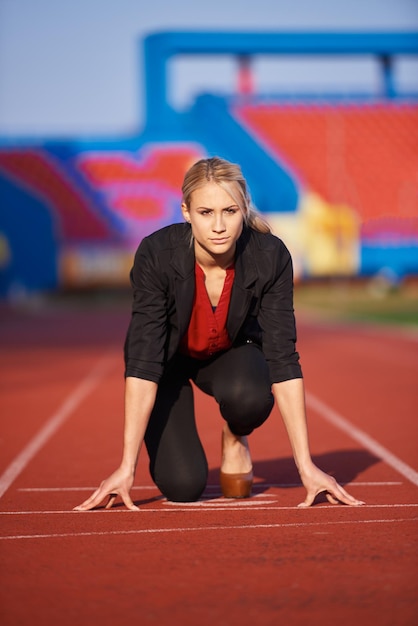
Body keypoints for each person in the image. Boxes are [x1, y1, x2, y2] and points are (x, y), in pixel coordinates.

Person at [74, 156, 364, 512]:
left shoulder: (269, 256)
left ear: (244, 208)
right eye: (206, 212)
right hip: (168, 364)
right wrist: (126, 466)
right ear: (186, 211)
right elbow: (144, 359)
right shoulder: (156, 255)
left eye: (229, 211)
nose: (219, 226)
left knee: (251, 397)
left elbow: (283, 358)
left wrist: (307, 467)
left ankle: (234, 434)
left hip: (228, 355)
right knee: (183, 486)